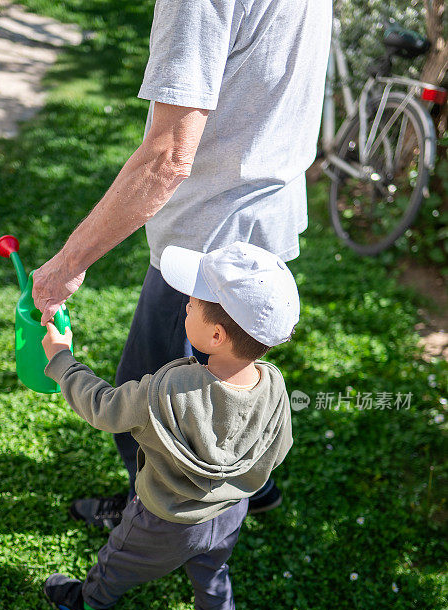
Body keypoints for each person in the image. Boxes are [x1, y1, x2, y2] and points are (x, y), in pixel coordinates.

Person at [31, 0, 332, 530]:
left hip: (208, 242)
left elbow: (171, 155)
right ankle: (246, 488)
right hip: (271, 212)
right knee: (234, 382)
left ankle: (153, 519)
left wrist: (67, 264)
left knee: (145, 399)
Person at [41, 241, 298, 610]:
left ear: (216, 335)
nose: (185, 306)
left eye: (194, 302)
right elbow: (279, 448)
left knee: (117, 560)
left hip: (164, 519)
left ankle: (89, 605)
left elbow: (104, 407)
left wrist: (62, 360)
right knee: (213, 575)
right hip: (228, 513)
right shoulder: (272, 385)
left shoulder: (170, 388)